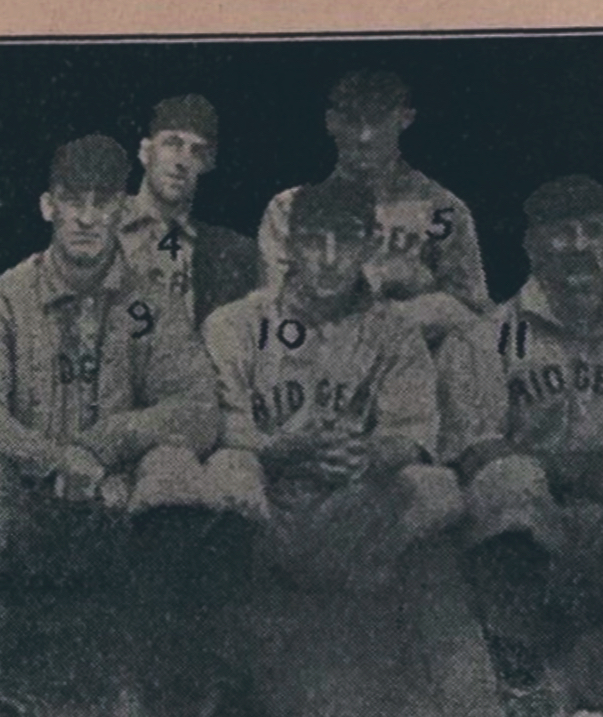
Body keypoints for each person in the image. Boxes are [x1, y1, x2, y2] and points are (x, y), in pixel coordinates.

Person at [0, 135, 254, 717]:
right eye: (73, 201)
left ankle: (134, 688)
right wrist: (52, 457)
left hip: (115, 504)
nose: (87, 217)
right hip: (25, 499)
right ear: (48, 206)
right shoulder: (1, 301)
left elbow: (197, 409)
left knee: (175, 469)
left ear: (123, 211)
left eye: (102, 203)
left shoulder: (152, 304)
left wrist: (105, 445)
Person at [439, 176, 603, 717]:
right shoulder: (484, 339)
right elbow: (472, 451)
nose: (577, 245)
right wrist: (574, 470)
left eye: (592, 231)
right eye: (560, 232)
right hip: (533, 548)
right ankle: (522, 689)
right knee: (505, 482)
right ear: (530, 245)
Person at [204, 178, 464, 597]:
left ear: (368, 247)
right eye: (312, 241)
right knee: (229, 470)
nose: (328, 258)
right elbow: (223, 429)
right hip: (269, 495)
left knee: (437, 487)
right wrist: (283, 447)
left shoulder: (395, 332)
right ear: (289, 246)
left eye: (344, 241)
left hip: (352, 500)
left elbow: (412, 434)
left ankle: (315, 587)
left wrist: (370, 453)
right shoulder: (235, 323)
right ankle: (254, 598)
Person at [258, 70, 489, 346]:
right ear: (331, 122)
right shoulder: (289, 207)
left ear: (404, 119)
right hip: (316, 364)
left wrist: (398, 316)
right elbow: (273, 304)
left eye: (378, 120)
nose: (365, 136)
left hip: (417, 370)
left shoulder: (441, 210)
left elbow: (471, 310)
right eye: (353, 121)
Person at [119, 94, 259, 328]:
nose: (182, 161)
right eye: (172, 144)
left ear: (207, 164)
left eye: (195, 151)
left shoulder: (229, 256)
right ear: (145, 152)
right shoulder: (98, 225)